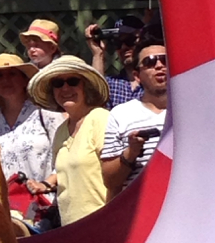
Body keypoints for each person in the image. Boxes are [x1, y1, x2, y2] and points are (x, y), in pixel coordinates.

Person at [27, 55, 110, 226]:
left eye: (73, 81)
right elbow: (65, 175)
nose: (65, 88)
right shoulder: (60, 131)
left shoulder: (100, 118)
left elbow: (115, 174)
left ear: (86, 86)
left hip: (102, 223)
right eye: (58, 83)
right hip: (69, 228)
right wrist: (45, 185)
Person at [101, 40, 167, 198]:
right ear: (137, 76)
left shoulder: (192, 111)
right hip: (142, 207)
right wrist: (131, 152)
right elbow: (110, 181)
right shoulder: (120, 114)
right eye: (150, 62)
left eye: (165, 60)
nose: (159, 66)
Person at [0, 54, 62, 185]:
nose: (6, 80)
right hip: (5, 197)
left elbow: (65, 156)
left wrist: (46, 184)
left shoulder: (46, 115)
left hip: (43, 196)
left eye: (12, 74)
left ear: (25, 80)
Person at [85, 16, 144, 108]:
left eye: (129, 40)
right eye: (118, 43)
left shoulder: (155, 80)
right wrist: (98, 54)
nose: (124, 47)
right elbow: (96, 100)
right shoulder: (111, 84)